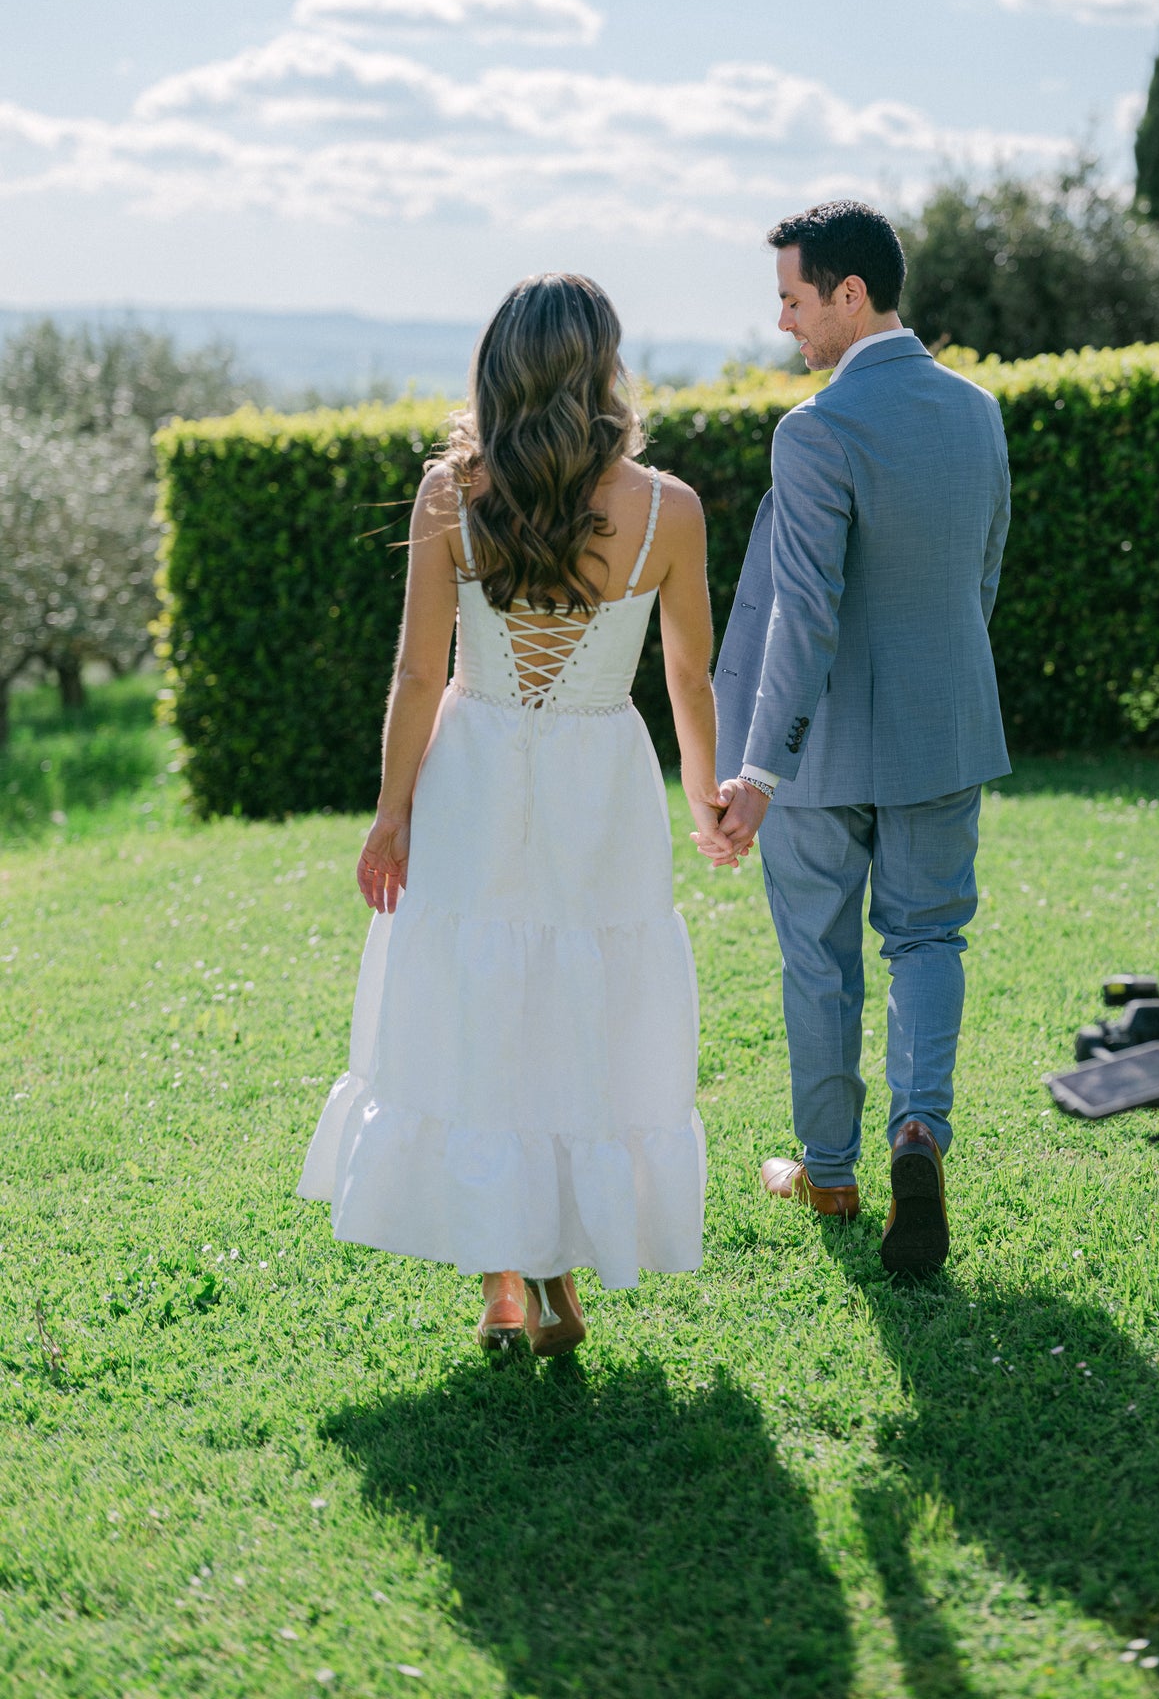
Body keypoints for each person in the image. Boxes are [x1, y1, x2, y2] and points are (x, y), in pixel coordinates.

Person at [300, 274, 733, 1358]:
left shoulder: (454, 492)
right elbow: (691, 678)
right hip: (602, 782)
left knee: (487, 1004)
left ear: (498, 368)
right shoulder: (668, 507)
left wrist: (392, 810)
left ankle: (507, 1277)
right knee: (583, 1009)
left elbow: (415, 671)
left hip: (478, 770)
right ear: (602, 370)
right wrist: (707, 797)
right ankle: (554, 1270)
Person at [710, 200, 1011, 1273]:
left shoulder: (817, 429)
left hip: (822, 752)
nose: (785, 323)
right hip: (946, 732)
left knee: (819, 959)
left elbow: (806, 612)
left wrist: (759, 766)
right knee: (929, 938)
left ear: (849, 293)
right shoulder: (979, 412)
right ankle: (917, 1132)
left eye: (794, 299)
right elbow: (983, 573)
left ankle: (830, 1172)